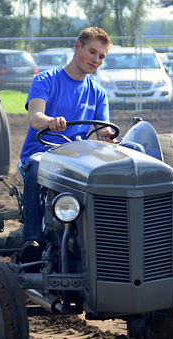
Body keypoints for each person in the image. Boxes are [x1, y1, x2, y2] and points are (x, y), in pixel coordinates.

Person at [19, 26, 115, 262]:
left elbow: (103, 128)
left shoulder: (98, 93)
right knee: (36, 166)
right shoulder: (46, 80)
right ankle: (32, 242)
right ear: (77, 46)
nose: (96, 60)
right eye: (92, 52)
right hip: (44, 152)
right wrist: (50, 121)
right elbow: (34, 117)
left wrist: (108, 133)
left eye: (101, 56)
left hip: (78, 158)